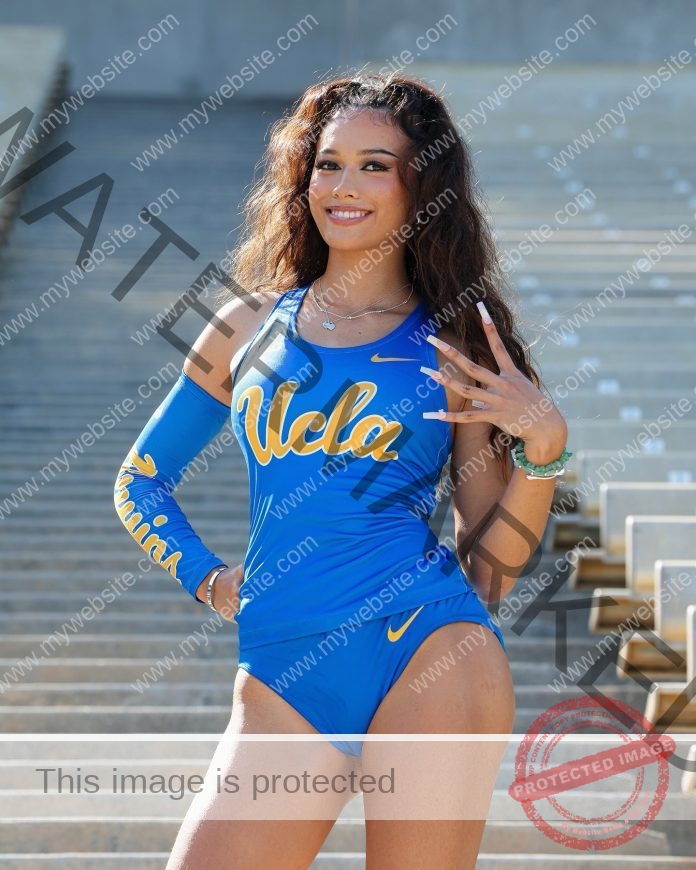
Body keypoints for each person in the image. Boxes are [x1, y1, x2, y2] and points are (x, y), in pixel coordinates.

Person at [114, 71, 570, 869]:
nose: (344, 185)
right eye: (329, 163)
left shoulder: (452, 343)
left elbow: (492, 568)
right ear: (304, 175)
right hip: (282, 671)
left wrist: (543, 450)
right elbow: (140, 481)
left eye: (375, 165)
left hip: (430, 649)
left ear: (420, 185)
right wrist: (212, 580)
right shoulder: (246, 325)